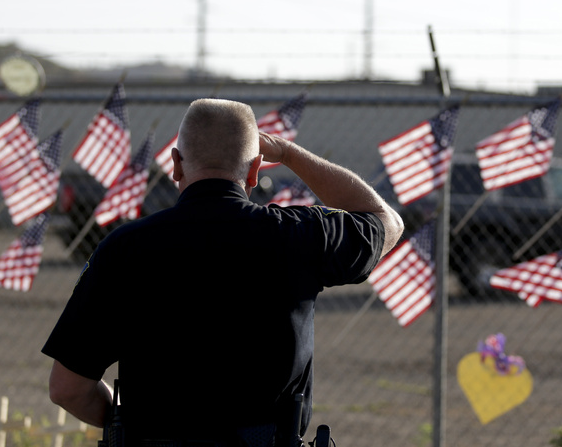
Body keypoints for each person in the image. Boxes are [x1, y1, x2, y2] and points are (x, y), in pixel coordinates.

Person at [42, 98, 404, 446]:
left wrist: (130, 424)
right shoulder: (298, 236)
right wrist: (291, 154)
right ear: (254, 170)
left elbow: (67, 389)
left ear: (176, 165)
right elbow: (386, 221)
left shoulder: (122, 249)